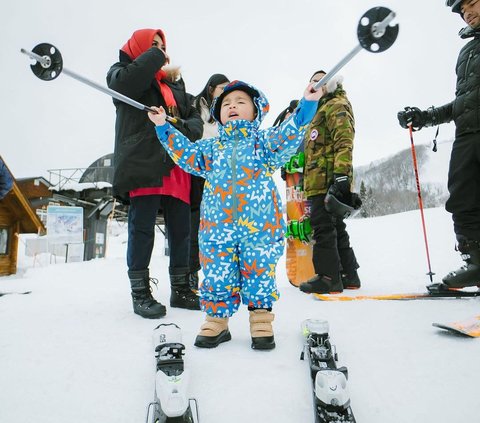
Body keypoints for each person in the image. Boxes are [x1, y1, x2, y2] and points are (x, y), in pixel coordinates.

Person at [148, 80, 323, 349]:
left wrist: (307, 104)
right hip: (217, 228)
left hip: (259, 227)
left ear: (256, 112)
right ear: (218, 114)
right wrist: (163, 126)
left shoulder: (263, 143)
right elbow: (185, 153)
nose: (232, 106)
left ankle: (261, 318)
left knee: (260, 270)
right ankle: (217, 321)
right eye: (226, 104)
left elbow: (289, 133)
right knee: (217, 272)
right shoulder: (211, 148)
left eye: (241, 102)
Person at [106, 28, 203, 319]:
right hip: (143, 161)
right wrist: (155, 56)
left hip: (175, 161)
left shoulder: (176, 84)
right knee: (142, 227)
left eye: (163, 46)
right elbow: (127, 84)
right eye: (153, 45)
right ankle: (140, 293)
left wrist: (174, 124)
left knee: (182, 231)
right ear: (139, 48)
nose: (161, 50)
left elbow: (194, 123)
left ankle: (181, 288)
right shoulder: (121, 74)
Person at [397, 0, 480, 290]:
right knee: (463, 198)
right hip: (468, 134)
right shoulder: (467, 51)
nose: (466, 13)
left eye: (472, 3)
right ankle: (476, 263)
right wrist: (425, 117)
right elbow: (463, 102)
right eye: (461, 10)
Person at [299, 71, 361, 295]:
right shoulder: (319, 109)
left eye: (321, 80)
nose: (317, 84)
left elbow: (344, 140)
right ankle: (348, 275)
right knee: (335, 226)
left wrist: (341, 176)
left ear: (331, 82)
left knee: (323, 226)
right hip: (317, 178)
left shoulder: (336, 104)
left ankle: (328, 277)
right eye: (313, 81)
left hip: (328, 178)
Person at [188, 74, 230, 290]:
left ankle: (218, 275)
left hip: (218, 171)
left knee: (217, 224)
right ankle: (191, 272)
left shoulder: (225, 110)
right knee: (195, 222)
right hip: (198, 167)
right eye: (222, 88)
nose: (225, 92)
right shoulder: (196, 104)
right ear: (211, 87)